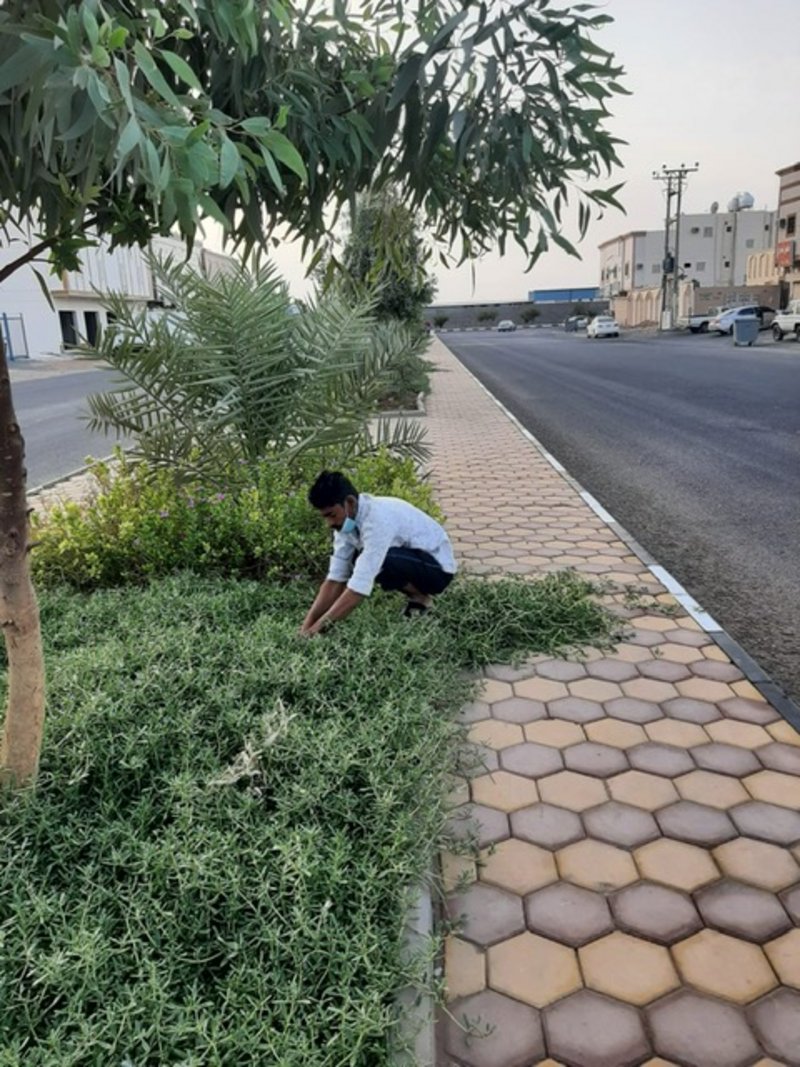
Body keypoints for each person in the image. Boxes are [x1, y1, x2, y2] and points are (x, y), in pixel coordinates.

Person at [300, 470, 457, 636]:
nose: (329, 523)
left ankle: (420, 598)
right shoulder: (345, 524)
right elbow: (335, 579)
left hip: (439, 569)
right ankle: (419, 597)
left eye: (331, 515)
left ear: (350, 503)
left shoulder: (377, 521)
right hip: (412, 559)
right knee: (358, 559)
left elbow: (358, 588)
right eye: (324, 517)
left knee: (378, 561)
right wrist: (306, 626)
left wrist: (316, 630)